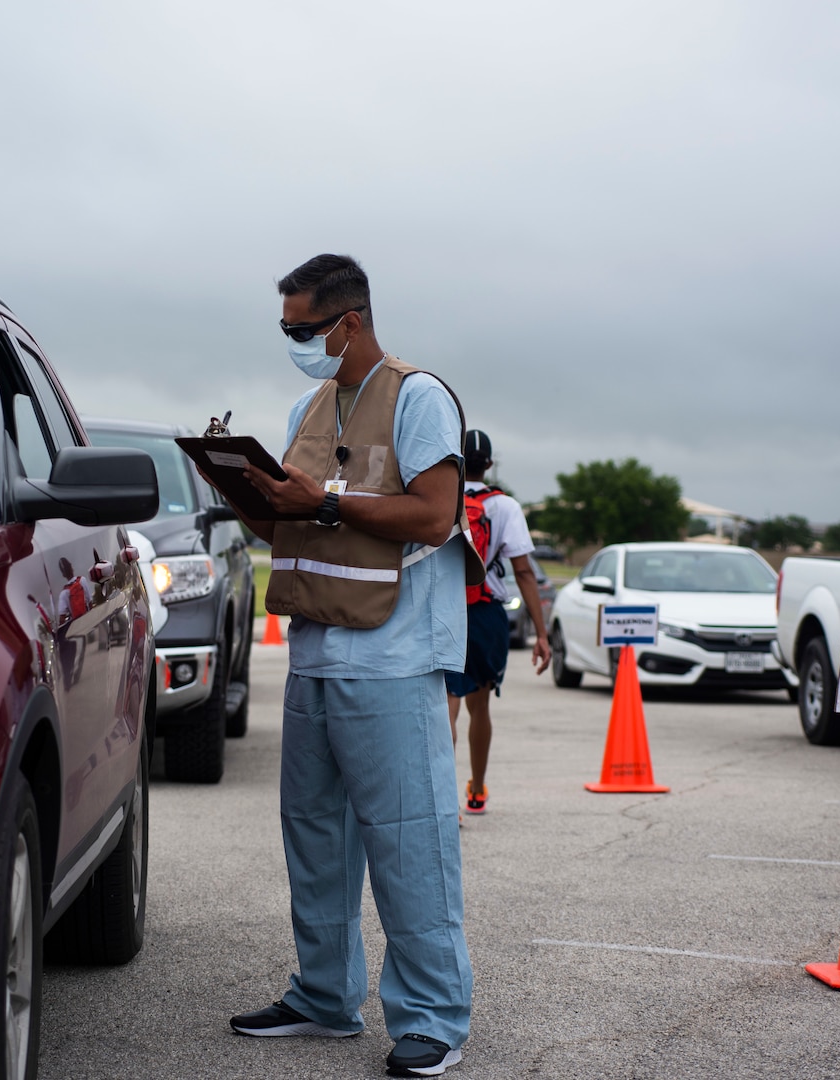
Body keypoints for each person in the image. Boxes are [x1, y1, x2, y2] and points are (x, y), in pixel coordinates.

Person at [223, 254, 484, 1078]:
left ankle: (433, 1017)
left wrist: (324, 500)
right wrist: (249, 497)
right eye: (287, 329)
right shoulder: (310, 404)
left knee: (410, 841)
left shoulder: (419, 398)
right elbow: (293, 534)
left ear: (351, 322)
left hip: (393, 658)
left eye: (306, 329)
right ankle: (324, 997)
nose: (297, 342)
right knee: (315, 835)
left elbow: (436, 517)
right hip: (317, 652)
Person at [446, 429, 552, 817]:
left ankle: (447, 800)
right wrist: (541, 633)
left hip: (446, 609)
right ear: (489, 464)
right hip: (486, 612)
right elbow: (523, 571)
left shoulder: (443, 496)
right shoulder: (504, 506)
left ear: (458, 458)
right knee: (481, 706)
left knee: (448, 706)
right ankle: (476, 788)